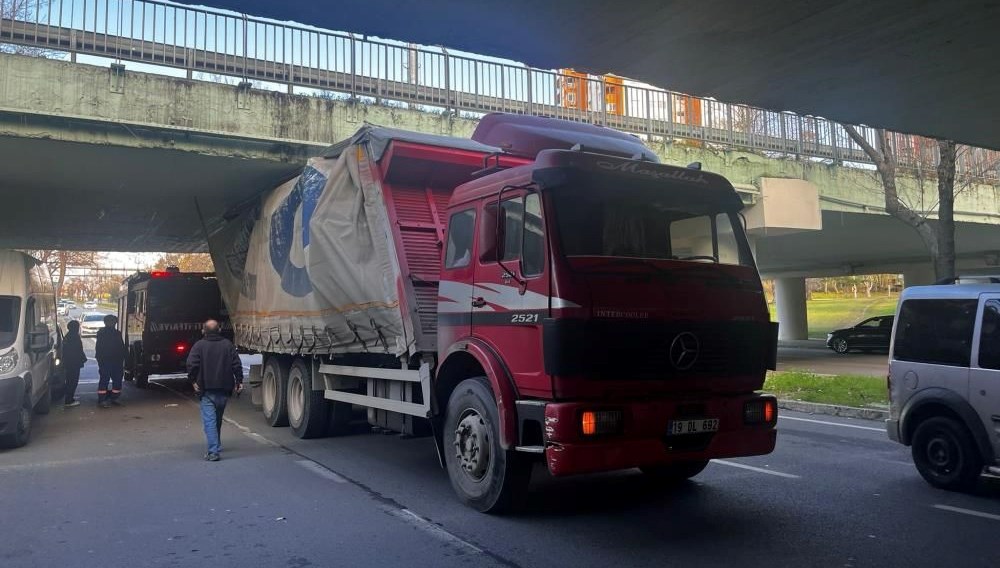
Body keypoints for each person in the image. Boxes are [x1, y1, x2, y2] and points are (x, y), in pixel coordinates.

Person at [187, 320, 243, 462]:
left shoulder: (199, 346)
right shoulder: (228, 345)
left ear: (203, 331)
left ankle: (213, 451)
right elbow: (236, 364)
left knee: (210, 421)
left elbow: (191, 364)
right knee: (217, 419)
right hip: (224, 389)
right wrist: (239, 381)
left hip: (206, 390)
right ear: (219, 330)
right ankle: (216, 444)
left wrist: (193, 381)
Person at [95, 314, 126, 408]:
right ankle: (102, 399)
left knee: (117, 379)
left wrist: (124, 357)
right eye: (111, 322)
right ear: (106, 323)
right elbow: (99, 348)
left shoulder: (117, 333)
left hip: (116, 360)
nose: (113, 324)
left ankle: (114, 397)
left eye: (114, 322)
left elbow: (121, 346)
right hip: (106, 360)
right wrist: (100, 360)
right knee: (105, 379)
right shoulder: (102, 333)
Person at [62, 320, 87, 408]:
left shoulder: (67, 336)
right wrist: (82, 359)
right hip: (73, 363)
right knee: (72, 381)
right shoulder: (74, 337)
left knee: (69, 380)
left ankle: (69, 397)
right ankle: (69, 400)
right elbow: (77, 351)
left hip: (69, 362)